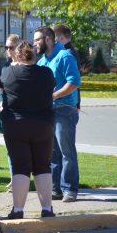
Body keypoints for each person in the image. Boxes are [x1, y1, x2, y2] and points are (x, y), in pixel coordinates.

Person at [0, 41, 57, 219]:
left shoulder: (8, 72)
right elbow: (51, 87)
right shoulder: (46, 73)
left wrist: (15, 65)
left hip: (16, 125)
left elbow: (2, 86)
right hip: (43, 124)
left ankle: (18, 210)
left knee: (20, 167)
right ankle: (47, 208)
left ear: (16, 55)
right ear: (35, 55)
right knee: (43, 166)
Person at [34, 26, 81, 203]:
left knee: (66, 151)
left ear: (48, 39)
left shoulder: (65, 56)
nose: (34, 43)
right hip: (48, 112)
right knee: (51, 152)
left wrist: (53, 95)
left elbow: (74, 82)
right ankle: (56, 189)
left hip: (64, 110)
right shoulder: (42, 61)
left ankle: (70, 189)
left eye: (37, 39)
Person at [0, 34, 20, 192]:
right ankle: (14, 179)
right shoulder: (6, 67)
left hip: (21, 114)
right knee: (10, 148)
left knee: (22, 149)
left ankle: (21, 179)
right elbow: (1, 90)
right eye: (6, 47)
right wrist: (1, 100)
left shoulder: (25, 66)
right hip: (7, 113)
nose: (8, 50)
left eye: (11, 47)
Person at [52, 24, 81, 109]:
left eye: (53, 38)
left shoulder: (67, 54)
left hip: (65, 104)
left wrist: (77, 104)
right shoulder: (70, 51)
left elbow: (74, 81)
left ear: (61, 38)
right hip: (67, 103)